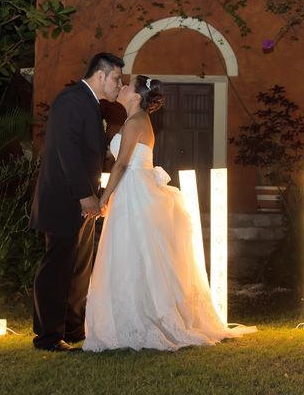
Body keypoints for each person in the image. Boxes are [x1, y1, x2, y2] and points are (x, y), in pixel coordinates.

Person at [83, 75, 256, 352]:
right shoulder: (138, 121)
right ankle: (135, 318)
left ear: (137, 97)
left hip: (133, 194)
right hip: (136, 191)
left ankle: (138, 321)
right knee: (139, 256)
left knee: (131, 253)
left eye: (127, 86)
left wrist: (103, 199)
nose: (123, 87)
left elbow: (121, 166)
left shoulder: (134, 122)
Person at [30, 52, 124, 352]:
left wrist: (95, 196)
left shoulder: (91, 105)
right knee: (57, 267)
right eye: (117, 78)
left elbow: (88, 155)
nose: (119, 84)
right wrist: (85, 196)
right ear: (101, 75)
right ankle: (47, 336)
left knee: (79, 266)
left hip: (83, 202)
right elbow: (66, 150)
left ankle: (72, 328)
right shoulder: (71, 100)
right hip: (63, 200)